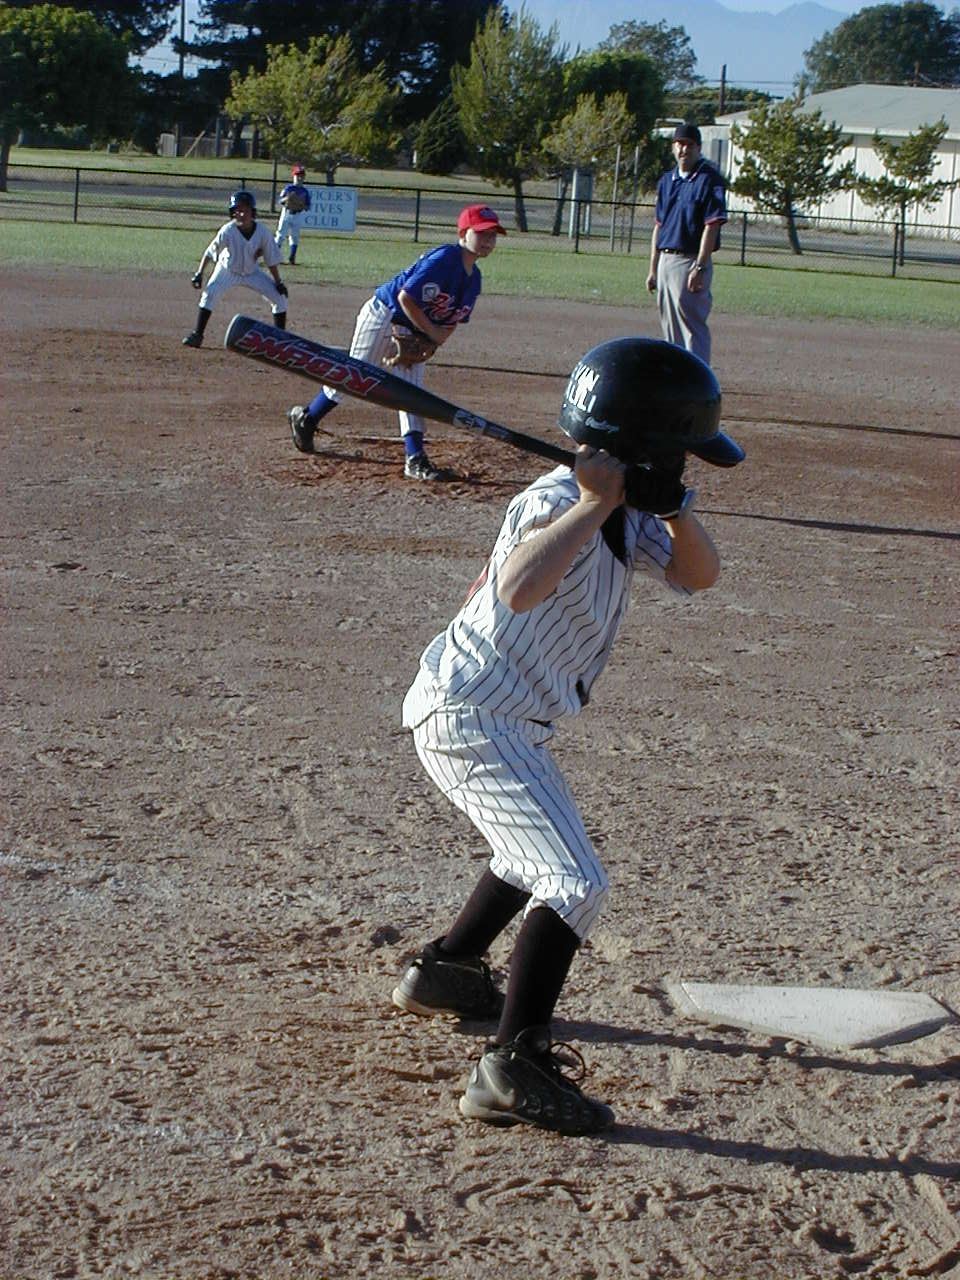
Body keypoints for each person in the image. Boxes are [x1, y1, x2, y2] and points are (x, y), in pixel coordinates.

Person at [391, 337, 745, 1135]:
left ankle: (446, 972)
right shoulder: (558, 502)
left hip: (502, 719)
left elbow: (698, 574)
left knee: (532, 851)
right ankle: (512, 1069)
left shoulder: (627, 512)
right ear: (647, 443)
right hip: (472, 719)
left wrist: (672, 507)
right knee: (574, 880)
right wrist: (590, 504)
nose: (685, 466)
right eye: (680, 454)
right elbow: (517, 588)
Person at [286, 202, 506, 481]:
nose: (488, 240)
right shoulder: (445, 259)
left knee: (411, 390)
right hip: (385, 313)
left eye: (492, 235)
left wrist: (433, 340)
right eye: (482, 233)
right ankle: (307, 417)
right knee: (355, 377)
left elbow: (452, 319)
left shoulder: (475, 279)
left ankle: (415, 457)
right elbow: (406, 298)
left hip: (415, 327)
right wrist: (431, 332)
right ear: (463, 233)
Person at [645, 123, 727, 366]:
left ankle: (698, 377)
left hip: (690, 261)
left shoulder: (709, 180)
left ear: (698, 148)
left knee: (691, 326)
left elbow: (712, 225)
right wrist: (653, 268)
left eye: (690, 145)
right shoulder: (667, 181)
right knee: (669, 326)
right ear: (673, 147)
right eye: (680, 144)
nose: (684, 150)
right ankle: (677, 377)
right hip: (666, 260)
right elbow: (659, 227)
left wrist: (700, 266)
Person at [183, 190, 288, 349]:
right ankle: (197, 335)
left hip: (252, 273)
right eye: (237, 210)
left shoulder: (262, 232)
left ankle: (280, 340)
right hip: (227, 271)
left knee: (280, 299)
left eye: (245, 209)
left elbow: (271, 259)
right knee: (209, 295)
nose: (241, 214)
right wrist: (199, 273)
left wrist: (278, 282)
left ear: (252, 212)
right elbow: (210, 253)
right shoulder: (228, 230)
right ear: (233, 213)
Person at [275, 164, 311, 265]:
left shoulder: (305, 191)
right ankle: (275, 256)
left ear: (304, 177)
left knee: (294, 236)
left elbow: (307, 207)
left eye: (301, 176)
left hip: (298, 214)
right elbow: (280, 201)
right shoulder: (288, 188)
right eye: (297, 175)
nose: (299, 178)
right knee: (280, 235)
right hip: (287, 213)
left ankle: (292, 257)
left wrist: (300, 204)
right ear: (293, 176)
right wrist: (287, 198)